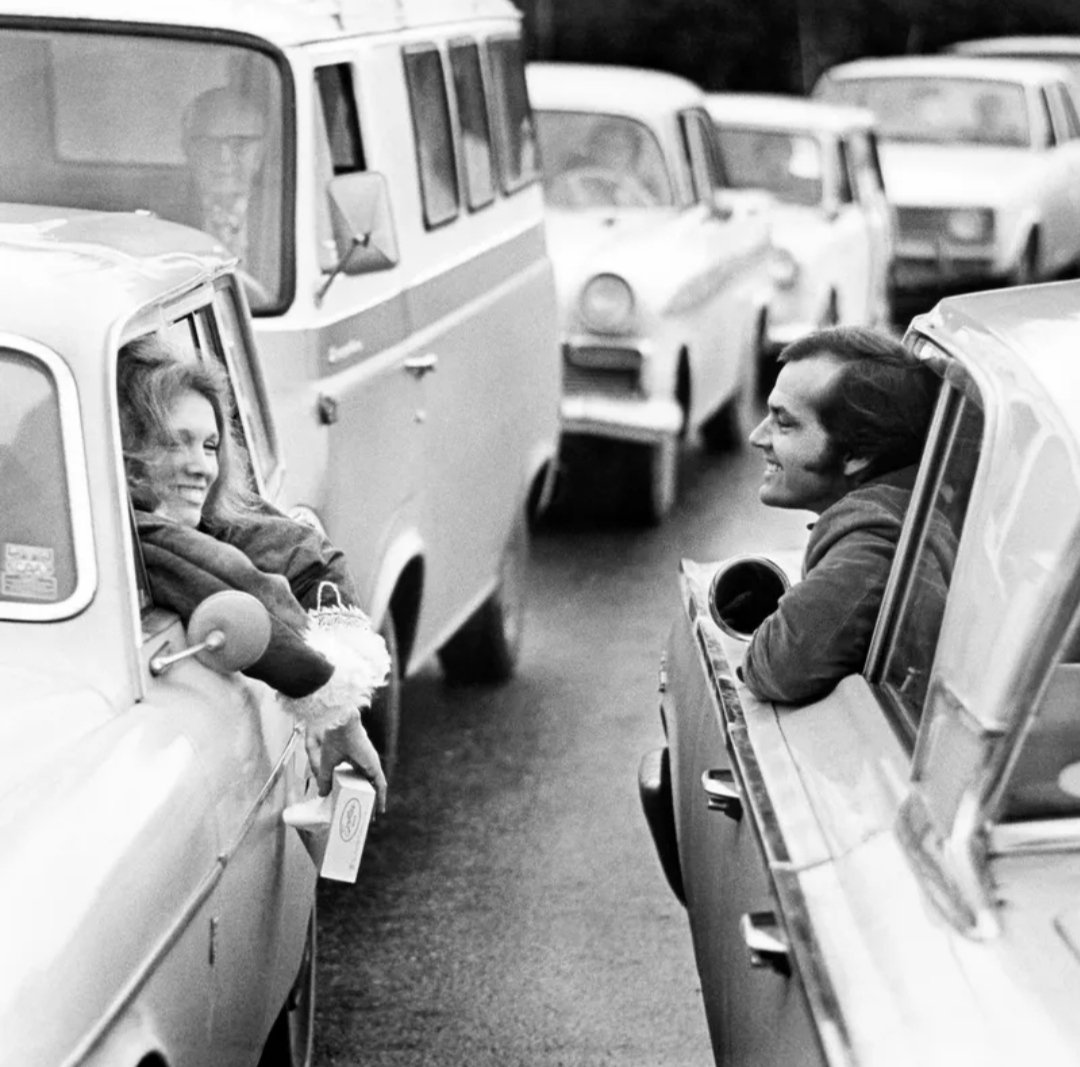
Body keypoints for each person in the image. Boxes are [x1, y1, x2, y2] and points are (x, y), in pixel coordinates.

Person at [117, 335, 388, 811]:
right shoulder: (132, 533)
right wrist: (328, 693)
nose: (202, 466)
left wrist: (341, 715)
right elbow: (233, 586)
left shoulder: (209, 520)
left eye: (210, 445)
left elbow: (308, 557)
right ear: (128, 448)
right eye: (176, 442)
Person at [739, 325, 954, 705]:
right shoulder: (912, 505)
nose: (757, 436)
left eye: (783, 421)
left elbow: (780, 668)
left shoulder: (877, 541)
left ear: (857, 453)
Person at [179, 87, 274, 304]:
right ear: (187, 149)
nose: (224, 157)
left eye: (239, 144)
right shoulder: (163, 219)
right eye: (208, 143)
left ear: (261, 151)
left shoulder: (283, 218)